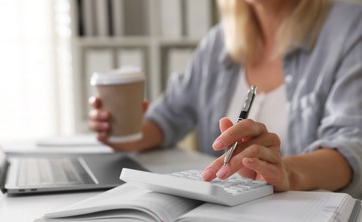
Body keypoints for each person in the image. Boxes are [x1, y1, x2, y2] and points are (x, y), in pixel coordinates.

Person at [88, 0, 362, 199]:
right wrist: (121, 130)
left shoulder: (350, 27)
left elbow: (352, 146)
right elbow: (166, 119)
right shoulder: (219, 42)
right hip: (227, 215)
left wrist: (286, 173)